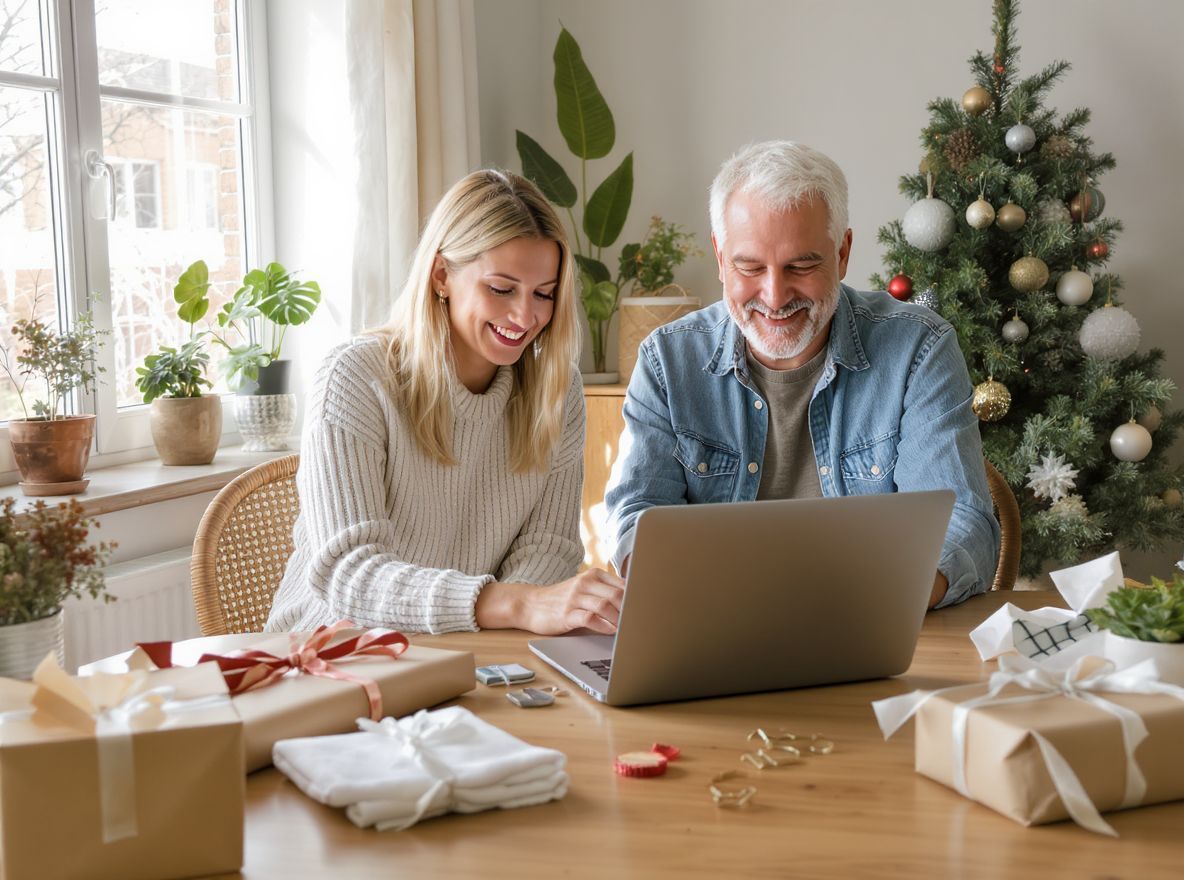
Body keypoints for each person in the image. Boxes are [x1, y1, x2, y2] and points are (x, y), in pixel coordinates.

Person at [605, 141, 999, 608]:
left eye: (801, 265)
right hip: (713, 628)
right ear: (719, 257)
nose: (774, 296)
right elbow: (636, 518)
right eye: (749, 267)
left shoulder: (919, 349)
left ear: (843, 252)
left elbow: (963, 523)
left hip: (869, 623)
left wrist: (866, 600)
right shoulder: (667, 362)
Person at [267, 170, 624, 635]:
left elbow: (548, 547)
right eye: (501, 289)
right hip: (334, 651)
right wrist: (515, 607)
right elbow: (349, 575)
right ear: (442, 276)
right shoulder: (356, 377)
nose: (526, 316)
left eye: (544, 294)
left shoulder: (556, 391)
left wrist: (506, 632)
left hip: (473, 651)